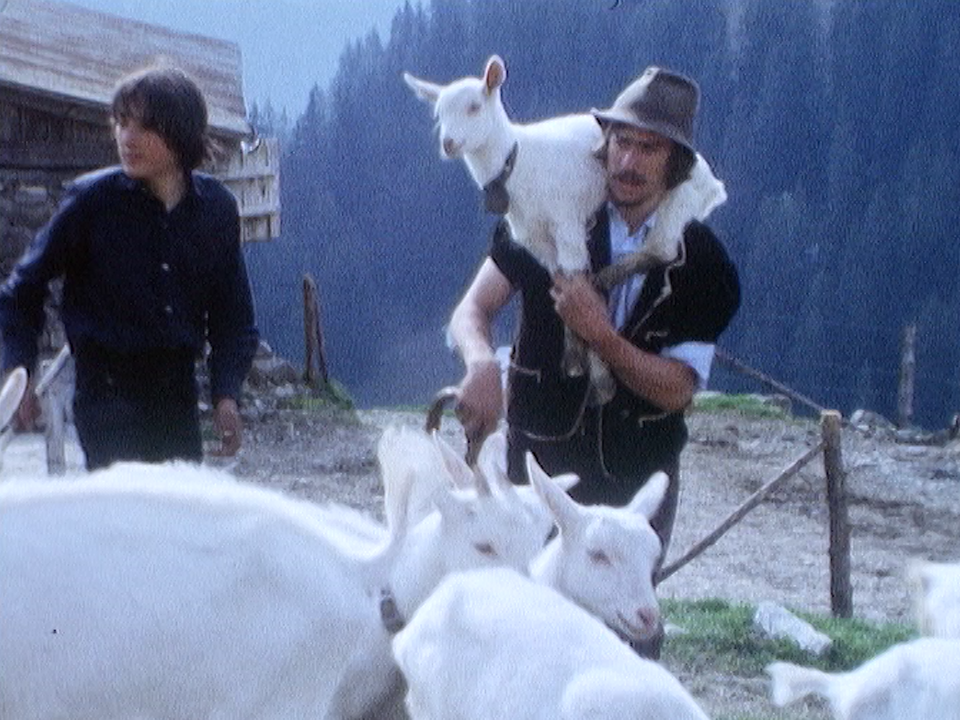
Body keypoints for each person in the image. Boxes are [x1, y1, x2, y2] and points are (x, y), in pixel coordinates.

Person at [447, 67, 740, 655]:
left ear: (678, 164)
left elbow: (677, 390)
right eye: (620, 141)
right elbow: (473, 311)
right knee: (518, 631)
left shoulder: (703, 263)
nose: (627, 162)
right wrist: (481, 364)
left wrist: (599, 334)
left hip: (634, 473)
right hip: (542, 463)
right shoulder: (547, 211)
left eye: (648, 148)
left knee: (625, 644)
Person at [0, 65, 259, 470]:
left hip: (176, 397)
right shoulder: (90, 203)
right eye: (121, 123)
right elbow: (22, 289)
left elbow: (234, 318)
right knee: (121, 520)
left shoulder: (215, 211)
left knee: (176, 519)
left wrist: (227, 396)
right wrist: (20, 369)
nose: (126, 138)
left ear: (179, 134)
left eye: (143, 127)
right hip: (105, 395)